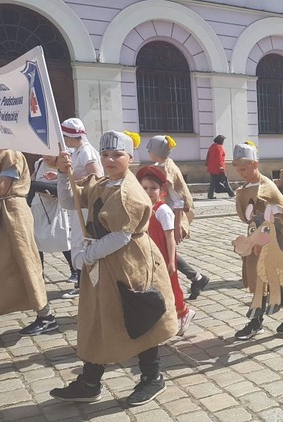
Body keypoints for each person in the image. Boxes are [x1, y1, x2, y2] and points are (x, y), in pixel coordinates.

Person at [51, 131, 178, 405]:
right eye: (105, 154)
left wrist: (86, 256)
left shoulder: (128, 192)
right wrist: (64, 174)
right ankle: (89, 381)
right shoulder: (103, 183)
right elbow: (68, 201)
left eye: (117, 154)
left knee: (138, 315)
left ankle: (152, 377)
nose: (109, 159)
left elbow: (120, 235)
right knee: (99, 317)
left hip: (128, 261)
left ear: (130, 157)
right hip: (104, 260)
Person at [231, 142, 283, 341]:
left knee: (265, 279)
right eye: (238, 169)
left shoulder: (267, 187)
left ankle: (259, 322)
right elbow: (247, 216)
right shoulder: (246, 188)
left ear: (255, 164)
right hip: (254, 240)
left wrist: (269, 242)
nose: (241, 173)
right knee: (261, 280)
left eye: (244, 168)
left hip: (267, 241)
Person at [0, 149, 58, 336]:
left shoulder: (11, 155)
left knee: (26, 262)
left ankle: (46, 316)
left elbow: (2, 188)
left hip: (13, 214)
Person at [146, 135, 210, 300]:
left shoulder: (168, 169)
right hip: (158, 217)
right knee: (162, 251)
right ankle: (197, 278)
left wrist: (176, 226)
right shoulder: (159, 166)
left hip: (168, 218)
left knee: (165, 252)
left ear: (155, 150)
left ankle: (192, 279)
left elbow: (178, 199)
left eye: (149, 149)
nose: (147, 151)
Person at [136, 166, 195, 336]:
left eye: (153, 188)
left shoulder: (162, 210)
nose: (149, 192)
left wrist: (171, 261)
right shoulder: (145, 207)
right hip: (149, 254)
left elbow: (170, 238)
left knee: (171, 285)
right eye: (145, 188)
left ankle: (184, 312)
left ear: (161, 190)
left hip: (163, 255)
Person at [60, 118, 103, 299]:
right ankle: (83, 281)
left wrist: (73, 177)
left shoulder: (86, 151)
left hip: (86, 202)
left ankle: (84, 283)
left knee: (83, 241)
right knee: (78, 240)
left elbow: (96, 176)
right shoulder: (77, 151)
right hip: (79, 201)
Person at [30, 155, 74, 277]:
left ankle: (74, 270)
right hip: (39, 205)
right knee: (37, 240)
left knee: (61, 238)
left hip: (56, 207)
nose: (46, 157)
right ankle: (40, 272)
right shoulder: (39, 163)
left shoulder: (63, 165)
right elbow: (32, 181)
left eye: (49, 154)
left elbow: (67, 186)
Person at [206, 135, 235, 199]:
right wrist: (221, 168)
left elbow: (208, 156)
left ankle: (210, 195)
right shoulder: (219, 147)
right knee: (225, 181)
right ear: (220, 141)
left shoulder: (212, 146)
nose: (223, 142)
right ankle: (231, 193)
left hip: (212, 167)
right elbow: (219, 159)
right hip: (218, 168)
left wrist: (207, 164)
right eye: (223, 140)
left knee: (213, 182)